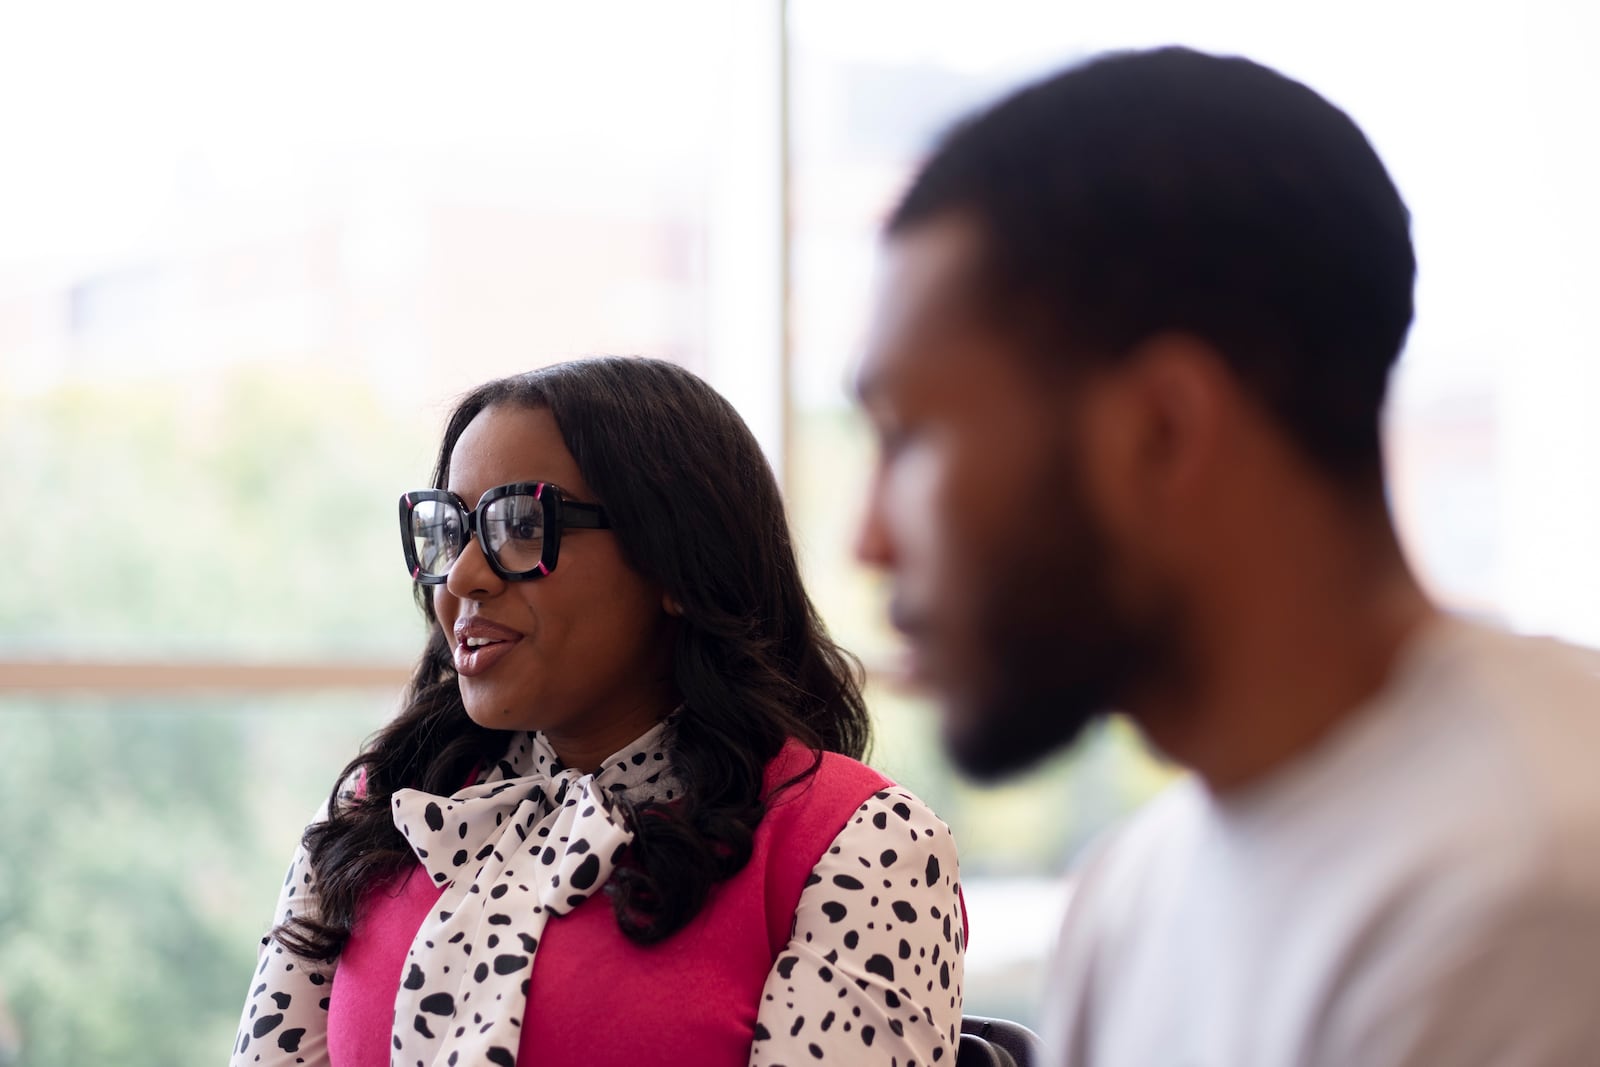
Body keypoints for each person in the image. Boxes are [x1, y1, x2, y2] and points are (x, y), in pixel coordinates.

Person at [854, 45, 1600, 1067]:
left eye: (909, 438)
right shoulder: (1138, 887)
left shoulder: (1528, 893)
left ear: (1162, 431)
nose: (868, 538)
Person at [231, 357, 965, 1067]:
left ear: (677, 563)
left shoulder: (862, 846)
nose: (463, 575)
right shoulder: (375, 814)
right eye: (450, 528)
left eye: (520, 524)